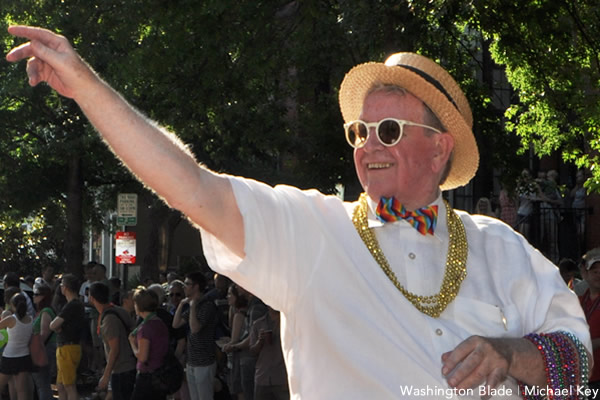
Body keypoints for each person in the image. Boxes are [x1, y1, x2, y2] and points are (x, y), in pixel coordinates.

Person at [6, 26, 592, 399]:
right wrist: (87, 88)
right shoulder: (313, 231)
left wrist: (512, 354)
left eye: (387, 129)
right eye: (359, 130)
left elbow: (580, 364)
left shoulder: (505, 247)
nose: (366, 144)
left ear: (440, 148)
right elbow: (191, 187)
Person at [173, 272, 218, 400]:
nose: (184, 287)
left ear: (196, 286)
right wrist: (181, 305)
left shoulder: (207, 305)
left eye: (187, 284)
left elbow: (195, 328)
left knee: (204, 397)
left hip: (204, 361)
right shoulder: (194, 305)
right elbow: (176, 324)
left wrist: (192, 307)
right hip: (191, 360)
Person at [89, 282, 137, 400]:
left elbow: (114, 349)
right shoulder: (119, 310)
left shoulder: (109, 319)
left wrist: (106, 376)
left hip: (122, 369)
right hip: (129, 366)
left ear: (92, 298)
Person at [128, 287, 169, 400]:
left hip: (147, 376)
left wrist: (132, 343)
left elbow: (142, 357)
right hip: (161, 373)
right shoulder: (160, 323)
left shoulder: (145, 328)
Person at [49, 273, 85, 400]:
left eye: (62, 285)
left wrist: (57, 327)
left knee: (69, 385)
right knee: (60, 385)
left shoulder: (72, 305)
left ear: (67, 287)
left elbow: (53, 325)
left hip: (67, 347)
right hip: (70, 345)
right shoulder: (78, 304)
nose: (61, 287)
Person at [247, 306, 288, 400]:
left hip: (282, 376)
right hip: (263, 376)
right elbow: (252, 351)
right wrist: (259, 341)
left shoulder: (287, 323)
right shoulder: (258, 324)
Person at [0, 292, 34, 400]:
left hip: (9, 357)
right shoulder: (30, 319)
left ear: (13, 305)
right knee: (22, 390)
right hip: (24, 356)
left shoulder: (11, 319)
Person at [579, 248, 600, 395]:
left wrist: (591, 344)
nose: (599, 274)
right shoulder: (577, 301)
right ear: (584, 273)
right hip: (580, 376)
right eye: (594, 271)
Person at [31, 284, 57, 400]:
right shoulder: (40, 312)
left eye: (36, 294)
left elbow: (44, 334)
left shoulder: (46, 311)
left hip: (44, 349)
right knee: (41, 384)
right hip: (42, 348)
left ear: (44, 297)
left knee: (43, 384)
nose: (33, 297)